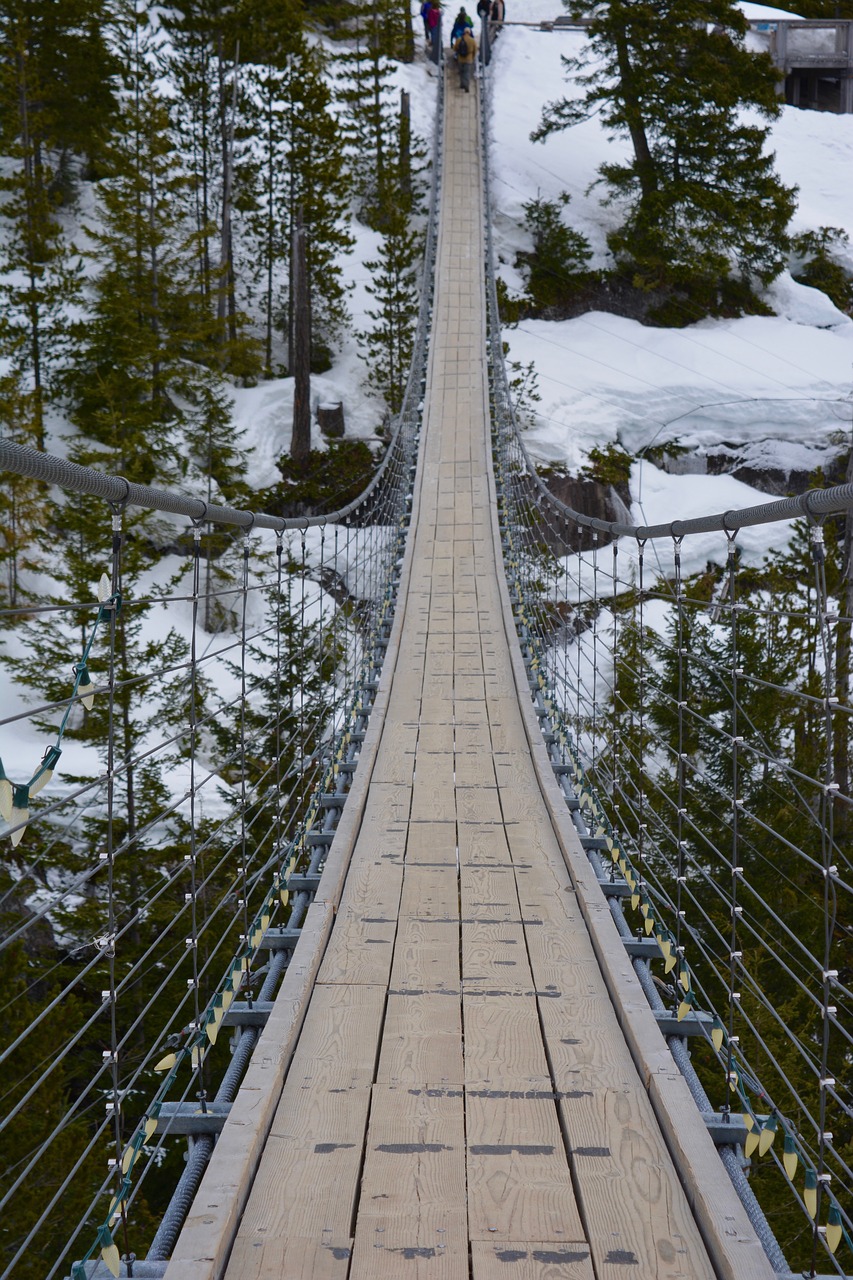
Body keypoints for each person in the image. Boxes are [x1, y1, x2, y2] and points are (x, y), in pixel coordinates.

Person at [454, 24, 477, 91]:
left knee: (461, 72)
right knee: (466, 72)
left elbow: (455, 48)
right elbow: (475, 50)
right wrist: (472, 57)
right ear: (469, 32)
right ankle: (466, 85)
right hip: (468, 59)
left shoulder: (459, 39)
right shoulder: (472, 41)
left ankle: (462, 84)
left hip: (460, 59)